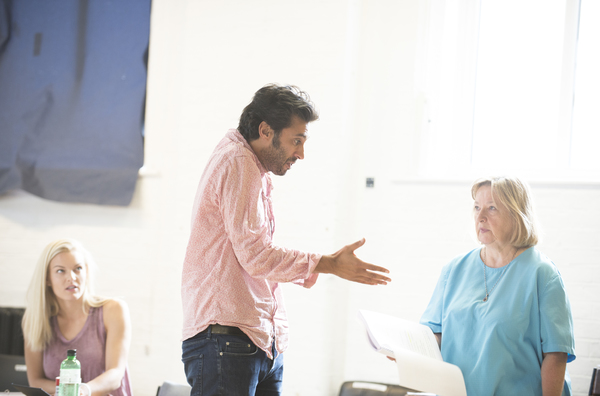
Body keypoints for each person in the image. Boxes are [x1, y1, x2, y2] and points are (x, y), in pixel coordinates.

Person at [181, 84, 391, 395]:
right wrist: (326, 263)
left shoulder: (249, 164)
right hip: (227, 339)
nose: (301, 154)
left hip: (255, 340)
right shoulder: (239, 161)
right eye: (296, 141)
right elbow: (256, 255)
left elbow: (252, 256)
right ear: (265, 130)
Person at [419, 176, 575, 396]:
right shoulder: (454, 270)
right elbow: (435, 333)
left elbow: (556, 354)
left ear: (517, 214)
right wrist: (409, 348)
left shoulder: (543, 274)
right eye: (476, 207)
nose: (480, 217)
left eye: (491, 208)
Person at [22, 238, 132, 396]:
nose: (71, 277)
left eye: (78, 268)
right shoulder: (35, 320)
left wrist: (83, 391)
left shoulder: (113, 310)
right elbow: (35, 381)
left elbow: (115, 375)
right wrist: (69, 392)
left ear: (86, 272)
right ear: (47, 278)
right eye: (61, 271)